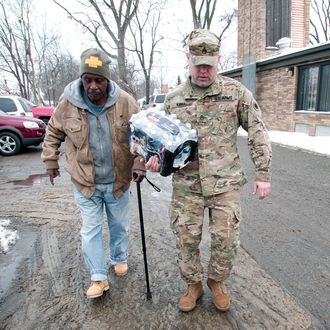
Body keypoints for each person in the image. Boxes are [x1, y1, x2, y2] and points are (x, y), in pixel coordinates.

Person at [145, 29, 272, 312]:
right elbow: (158, 140)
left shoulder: (236, 93)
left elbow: (257, 131)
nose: (204, 71)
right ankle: (193, 284)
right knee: (185, 240)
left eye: (210, 65)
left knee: (226, 239)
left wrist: (263, 173)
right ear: (188, 60)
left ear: (218, 61)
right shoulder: (174, 99)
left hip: (224, 184)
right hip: (186, 186)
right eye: (198, 65)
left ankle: (216, 281)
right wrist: (153, 158)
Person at [41, 48, 145, 299]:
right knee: (91, 229)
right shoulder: (68, 103)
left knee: (119, 225)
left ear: (107, 80)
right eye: (88, 80)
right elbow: (54, 131)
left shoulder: (125, 102)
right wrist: (50, 160)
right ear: (82, 80)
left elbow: (141, 133)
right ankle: (98, 277)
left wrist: (139, 161)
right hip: (85, 181)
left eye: (99, 80)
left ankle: (119, 258)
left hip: (117, 181)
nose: (93, 86)